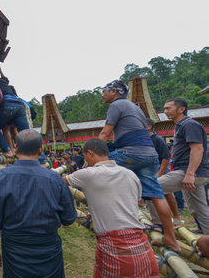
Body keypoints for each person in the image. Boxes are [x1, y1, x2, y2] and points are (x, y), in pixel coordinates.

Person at [98, 80, 180, 252]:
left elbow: (105, 133)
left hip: (130, 153)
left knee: (98, 169)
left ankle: (101, 217)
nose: (102, 94)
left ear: (113, 91)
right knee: (158, 195)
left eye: (104, 91)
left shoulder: (116, 105)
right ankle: (171, 239)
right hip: (149, 155)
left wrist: (90, 156)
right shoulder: (136, 108)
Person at [0, 129, 76, 277]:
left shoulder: (1, 177)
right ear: (41, 149)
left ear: (15, 149)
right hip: (49, 253)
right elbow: (68, 218)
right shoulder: (55, 179)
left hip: (14, 252)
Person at [64, 138, 159, 278]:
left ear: (90, 153)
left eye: (85, 157)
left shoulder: (88, 174)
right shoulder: (130, 174)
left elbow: (56, 181)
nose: (86, 162)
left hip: (115, 250)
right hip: (142, 246)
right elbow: (132, 203)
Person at [153, 98, 209, 234]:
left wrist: (190, 174)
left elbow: (197, 149)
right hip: (190, 172)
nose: (165, 111)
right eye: (164, 108)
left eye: (168, 108)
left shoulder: (189, 125)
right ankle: (206, 232)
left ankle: (159, 226)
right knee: (198, 208)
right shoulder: (180, 126)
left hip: (190, 172)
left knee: (153, 187)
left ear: (181, 109)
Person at [145, 118, 182, 227]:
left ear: (149, 127)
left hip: (160, 168)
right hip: (148, 170)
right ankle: (157, 219)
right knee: (152, 195)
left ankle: (176, 216)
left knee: (167, 193)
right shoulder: (142, 139)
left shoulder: (157, 139)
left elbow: (166, 157)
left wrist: (160, 173)